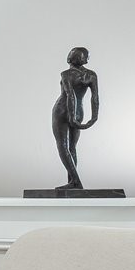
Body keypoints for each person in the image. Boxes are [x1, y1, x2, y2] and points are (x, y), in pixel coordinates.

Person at [50, 46, 99, 190]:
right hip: (79, 111)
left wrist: (71, 117)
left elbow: (70, 95)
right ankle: (73, 182)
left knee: (63, 146)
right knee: (72, 147)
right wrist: (93, 117)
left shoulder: (66, 74)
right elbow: (95, 97)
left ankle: (76, 182)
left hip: (62, 110)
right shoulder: (91, 75)